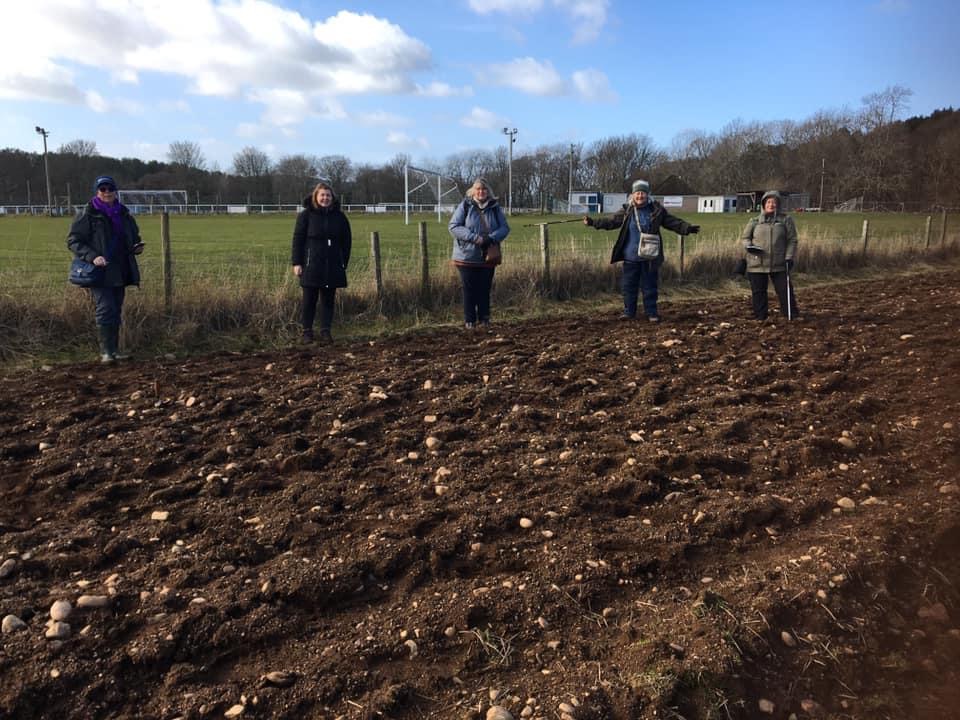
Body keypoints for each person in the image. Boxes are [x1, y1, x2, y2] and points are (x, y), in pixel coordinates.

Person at [584, 179, 699, 322]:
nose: (640, 196)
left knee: (650, 287)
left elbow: (672, 222)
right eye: (637, 193)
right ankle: (628, 312)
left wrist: (687, 228)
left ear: (647, 195)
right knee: (628, 287)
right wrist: (593, 222)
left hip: (650, 257)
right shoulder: (627, 210)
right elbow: (611, 222)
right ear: (632, 195)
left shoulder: (657, 210)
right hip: (630, 257)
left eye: (643, 193)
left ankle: (651, 313)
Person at [66, 175, 144, 363]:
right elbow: (73, 240)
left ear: (115, 191)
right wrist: (93, 257)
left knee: (116, 308)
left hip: (121, 268)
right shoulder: (88, 214)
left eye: (110, 188)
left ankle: (114, 351)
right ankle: (106, 352)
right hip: (100, 270)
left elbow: (133, 236)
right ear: (97, 191)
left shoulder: (124, 214)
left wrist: (136, 246)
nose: (107, 192)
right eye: (103, 189)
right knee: (106, 307)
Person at [291, 181, 352, 344]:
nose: (325, 198)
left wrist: (343, 262)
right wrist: (297, 263)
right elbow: (298, 239)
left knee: (328, 300)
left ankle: (326, 331)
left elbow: (347, 241)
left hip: (332, 265)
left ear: (332, 198)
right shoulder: (305, 215)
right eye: (322, 195)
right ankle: (307, 332)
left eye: (328, 195)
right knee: (309, 300)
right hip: (311, 264)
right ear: (315, 197)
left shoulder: (340, 217)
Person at [448, 177, 509, 328]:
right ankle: (470, 320)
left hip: (488, 256)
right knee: (469, 289)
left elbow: (504, 228)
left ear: (488, 191)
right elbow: (454, 226)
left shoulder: (495, 207)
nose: (481, 192)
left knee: (485, 288)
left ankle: (484, 318)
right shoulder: (465, 205)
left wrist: (491, 238)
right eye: (478, 189)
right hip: (466, 256)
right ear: (473, 191)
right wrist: (476, 238)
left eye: (484, 189)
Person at [740, 190, 799, 320]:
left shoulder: (786, 220)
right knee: (758, 292)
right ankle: (761, 316)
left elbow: (792, 240)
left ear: (778, 204)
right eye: (768, 202)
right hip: (757, 262)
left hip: (779, 263)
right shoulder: (754, 221)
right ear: (763, 204)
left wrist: (789, 257)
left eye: (774, 202)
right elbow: (745, 238)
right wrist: (750, 247)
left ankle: (791, 314)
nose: (771, 205)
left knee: (785, 290)